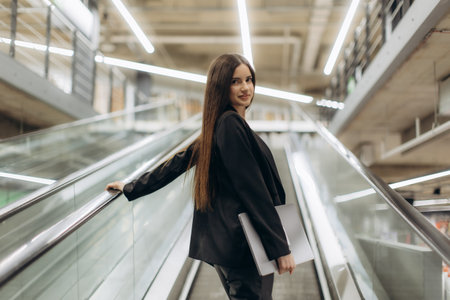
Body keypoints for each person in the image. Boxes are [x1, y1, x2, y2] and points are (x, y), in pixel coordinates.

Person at [106, 53, 295, 299]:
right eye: (235, 81)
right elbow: (252, 189)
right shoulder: (230, 125)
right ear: (220, 86)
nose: (245, 87)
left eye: (248, 79)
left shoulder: (221, 124)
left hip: (233, 246)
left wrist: (132, 187)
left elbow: (178, 162)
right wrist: (280, 247)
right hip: (245, 246)